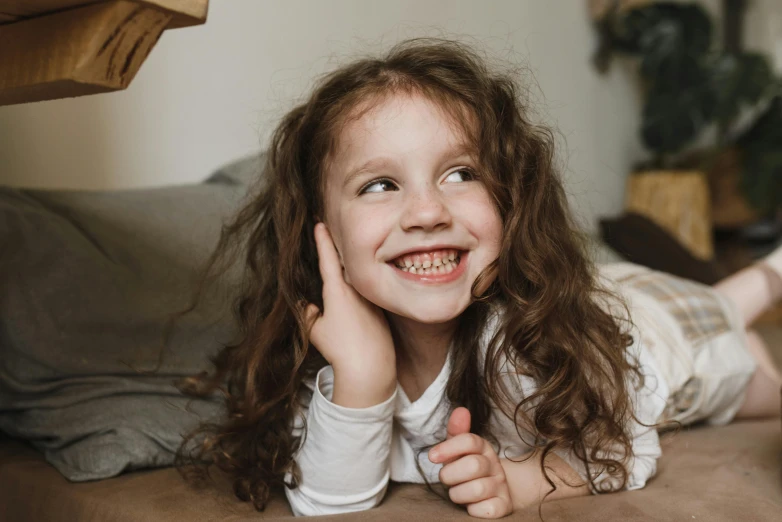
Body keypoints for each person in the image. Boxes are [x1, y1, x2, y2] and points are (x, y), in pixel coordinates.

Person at [173, 38, 782, 519]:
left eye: (460, 173)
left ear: (510, 198)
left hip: (659, 340)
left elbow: (620, 445)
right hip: (616, 301)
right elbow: (331, 504)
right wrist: (363, 375)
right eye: (379, 185)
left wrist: (519, 480)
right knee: (720, 299)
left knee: (737, 355)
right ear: (319, 233)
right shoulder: (326, 358)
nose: (427, 211)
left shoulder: (520, 344)